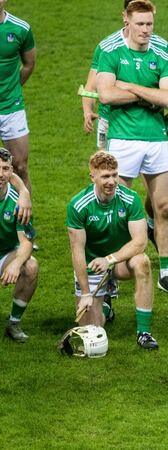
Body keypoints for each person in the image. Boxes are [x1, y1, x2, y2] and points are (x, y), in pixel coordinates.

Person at [95, 0, 168, 297]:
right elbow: (106, 94)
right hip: (122, 139)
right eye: (141, 24)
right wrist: (151, 95)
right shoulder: (111, 51)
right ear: (127, 22)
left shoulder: (162, 52)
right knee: (117, 209)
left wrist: (131, 87)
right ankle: (111, 272)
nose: (146, 29)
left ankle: (167, 272)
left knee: (164, 207)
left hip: (156, 139)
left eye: (149, 24)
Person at [66, 151, 159, 350]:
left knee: (142, 262)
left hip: (119, 261)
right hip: (93, 266)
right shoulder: (78, 205)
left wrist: (109, 259)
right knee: (92, 332)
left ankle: (144, 332)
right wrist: (85, 293)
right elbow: (77, 251)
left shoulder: (130, 198)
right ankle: (105, 306)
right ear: (92, 177)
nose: (111, 181)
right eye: (105, 176)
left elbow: (140, 242)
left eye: (115, 175)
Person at [82, 0, 168, 152]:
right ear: (126, 17)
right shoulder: (107, 47)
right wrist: (87, 110)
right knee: (106, 169)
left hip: (150, 121)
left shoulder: (161, 46)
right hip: (112, 119)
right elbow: (92, 85)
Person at [0, 148, 36, 342]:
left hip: (5, 255)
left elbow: (26, 242)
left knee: (30, 266)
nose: (0, 174)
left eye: (5, 169)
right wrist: (23, 188)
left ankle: (13, 323)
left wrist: (15, 264)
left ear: (11, 171)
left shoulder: (18, 203)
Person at [0, 0, 35, 190]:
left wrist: (13, 87)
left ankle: (24, 218)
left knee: (20, 167)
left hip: (11, 109)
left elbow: (29, 63)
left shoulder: (21, 28)